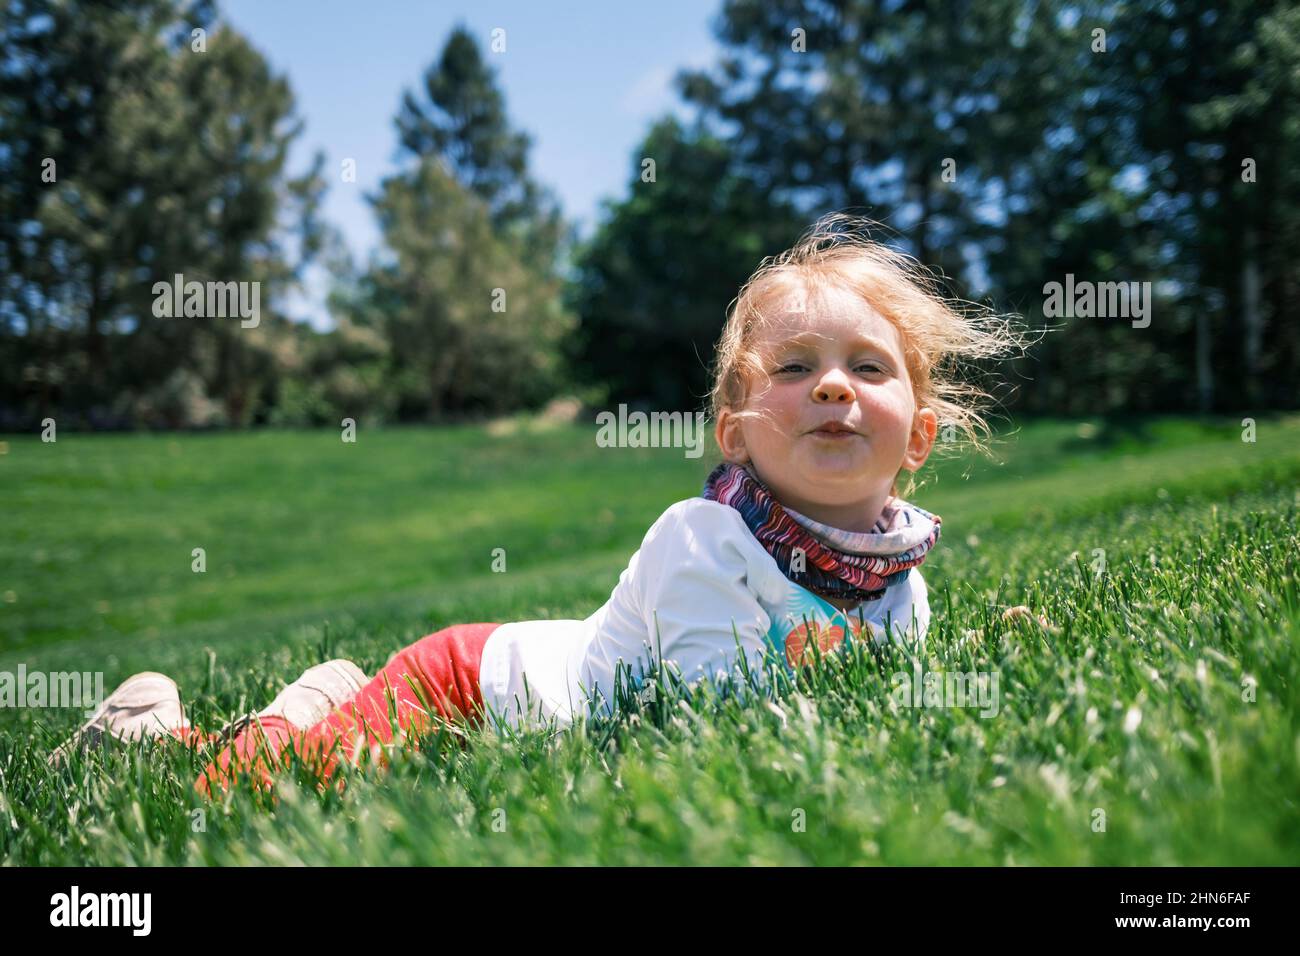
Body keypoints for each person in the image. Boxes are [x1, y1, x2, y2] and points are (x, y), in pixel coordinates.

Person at [48, 213, 1023, 798]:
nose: (832, 388)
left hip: (507, 674)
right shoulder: (703, 540)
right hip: (475, 679)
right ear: (733, 435)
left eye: (867, 367)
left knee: (314, 764)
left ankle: (316, 703)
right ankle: (164, 727)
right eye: (796, 368)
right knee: (253, 791)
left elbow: (889, 695)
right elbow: (716, 725)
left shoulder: (899, 575)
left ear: (921, 433)